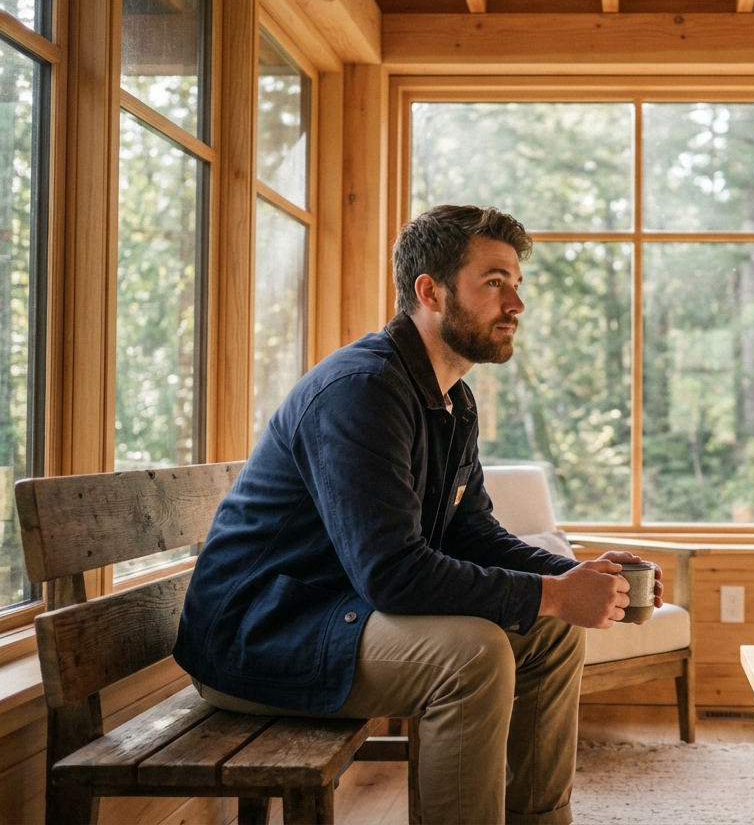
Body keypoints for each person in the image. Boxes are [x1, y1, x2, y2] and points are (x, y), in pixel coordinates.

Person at [173, 204, 661, 825]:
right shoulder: (362, 391)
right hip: (263, 633)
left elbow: (471, 532)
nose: (516, 304)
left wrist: (575, 578)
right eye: (494, 283)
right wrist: (555, 593)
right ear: (430, 292)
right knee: (473, 655)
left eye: (516, 284)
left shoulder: (451, 398)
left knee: (553, 631)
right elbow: (392, 574)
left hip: (341, 612)